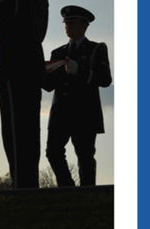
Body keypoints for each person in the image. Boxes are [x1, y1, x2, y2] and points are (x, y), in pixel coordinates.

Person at [0, 0, 49, 189]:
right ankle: (30, 182)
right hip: (34, 65)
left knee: (15, 129)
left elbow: (4, 25)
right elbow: (40, 32)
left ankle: (21, 184)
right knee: (31, 129)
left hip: (14, 65)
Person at [43, 6, 112, 187]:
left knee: (85, 156)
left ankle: (87, 193)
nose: (68, 26)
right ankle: (67, 188)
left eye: (72, 23)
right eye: (66, 23)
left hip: (85, 113)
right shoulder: (58, 53)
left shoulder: (96, 49)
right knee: (53, 152)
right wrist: (36, 72)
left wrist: (79, 71)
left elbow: (105, 80)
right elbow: (50, 86)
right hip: (61, 113)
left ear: (84, 25)